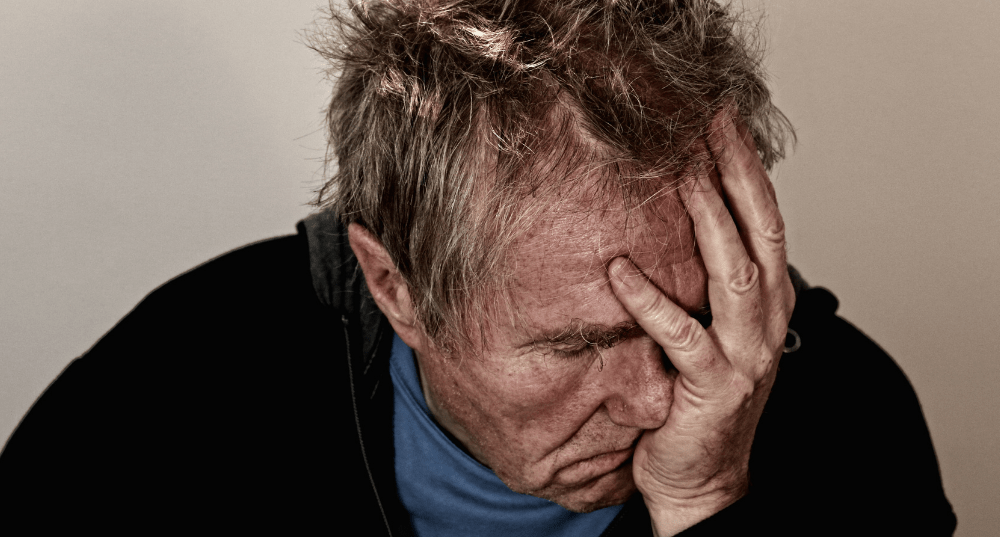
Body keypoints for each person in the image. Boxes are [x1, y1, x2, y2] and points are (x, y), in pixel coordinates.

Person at [0, 1, 956, 535]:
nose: (658, 400)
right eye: (580, 341)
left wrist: (708, 509)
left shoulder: (846, 416)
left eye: (689, 317)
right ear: (395, 284)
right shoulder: (167, 402)